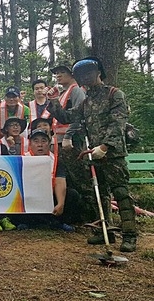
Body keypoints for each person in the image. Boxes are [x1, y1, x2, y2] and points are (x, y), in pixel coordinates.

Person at [46, 57, 137, 252]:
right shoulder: (87, 101)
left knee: (120, 192)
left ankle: (129, 235)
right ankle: (104, 230)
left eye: (88, 73)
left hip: (112, 153)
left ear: (98, 73)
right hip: (91, 153)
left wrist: (104, 146)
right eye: (81, 75)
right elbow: (67, 117)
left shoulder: (114, 94)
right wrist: (53, 102)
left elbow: (117, 123)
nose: (85, 77)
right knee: (99, 192)